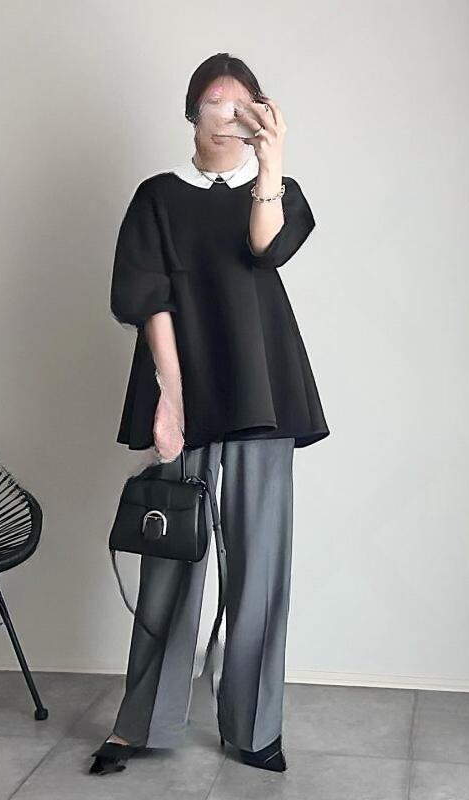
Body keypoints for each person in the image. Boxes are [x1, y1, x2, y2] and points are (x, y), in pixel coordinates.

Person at [90, 52, 329, 776]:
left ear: (259, 112)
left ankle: (255, 728)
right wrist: (171, 395)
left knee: (260, 563)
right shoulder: (157, 197)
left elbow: (266, 248)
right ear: (191, 111)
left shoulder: (275, 190)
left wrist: (272, 160)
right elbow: (146, 297)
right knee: (172, 557)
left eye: (241, 104)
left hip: (263, 390)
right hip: (185, 386)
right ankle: (141, 722)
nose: (227, 116)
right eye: (214, 102)